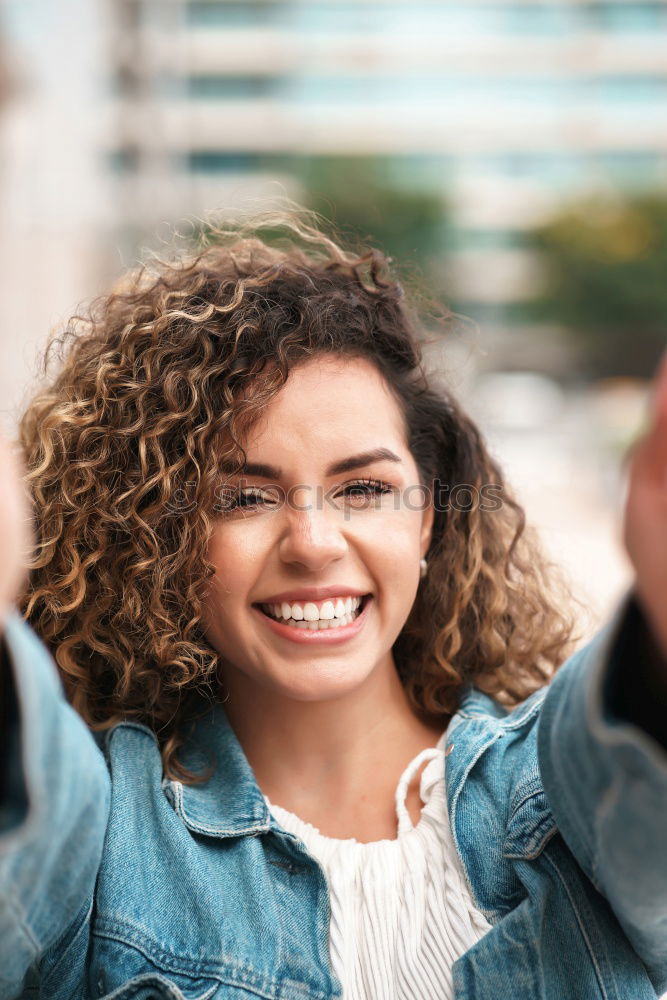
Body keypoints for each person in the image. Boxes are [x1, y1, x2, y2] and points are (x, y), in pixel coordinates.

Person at [0, 211, 666, 1000]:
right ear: (160, 534)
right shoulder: (104, 829)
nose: (313, 544)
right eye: (243, 497)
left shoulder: (559, 793)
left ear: (426, 516)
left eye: (363, 489)